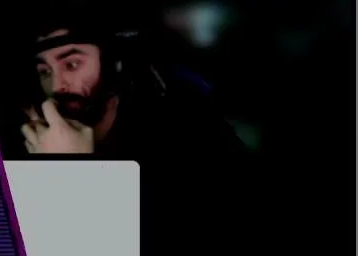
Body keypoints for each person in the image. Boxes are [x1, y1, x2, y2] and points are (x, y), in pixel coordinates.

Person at [19, 16, 248, 162]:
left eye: (72, 65)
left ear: (114, 64)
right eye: (45, 72)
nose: (57, 85)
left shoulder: (183, 131)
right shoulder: (34, 141)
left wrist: (70, 170)